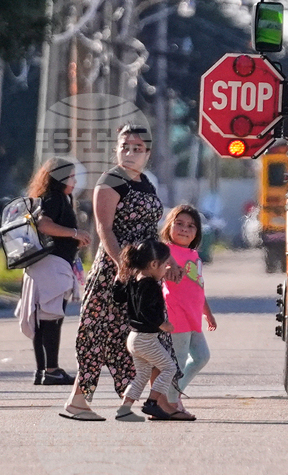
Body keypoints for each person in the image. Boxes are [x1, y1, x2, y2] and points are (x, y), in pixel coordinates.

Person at [60, 125, 166, 421]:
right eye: (124, 146)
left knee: (146, 334)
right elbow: (103, 229)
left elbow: (151, 229)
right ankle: (78, 402)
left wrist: (161, 263)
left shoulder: (146, 182)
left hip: (145, 271)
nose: (129, 153)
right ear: (116, 149)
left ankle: (154, 401)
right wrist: (123, 264)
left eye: (137, 148)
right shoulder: (111, 180)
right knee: (99, 335)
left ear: (148, 153)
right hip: (115, 272)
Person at [16, 157, 92, 385]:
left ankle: (43, 371)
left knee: (43, 320)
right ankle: (51, 370)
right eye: (71, 177)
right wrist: (74, 233)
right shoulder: (55, 198)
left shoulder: (51, 198)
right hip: (51, 267)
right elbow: (44, 225)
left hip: (43, 266)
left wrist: (72, 237)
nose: (75, 181)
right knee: (51, 319)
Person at [111, 239, 194, 421]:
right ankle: (152, 402)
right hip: (145, 339)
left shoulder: (134, 280)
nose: (166, 269)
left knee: (142, 376)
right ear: (154, 264)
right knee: (169, 367)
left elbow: (118, 297)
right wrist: (161, 323)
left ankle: (124, 409)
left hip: (134, 337)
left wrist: (118, 279)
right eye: (165, 265)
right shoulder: (150, 285)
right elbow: (145, 310)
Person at [159, 204, 216, 412]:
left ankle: (173, 393)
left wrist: (207, 313)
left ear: (197, 232)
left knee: (201, 357)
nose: (184, 229)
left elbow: (198, 288)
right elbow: (156, 272)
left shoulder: (193, 255)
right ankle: (171, 403)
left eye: (191, 226)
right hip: (176, 317)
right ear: (169, 226)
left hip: (193, 318)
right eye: (179, 223)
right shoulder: (166, 252)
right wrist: (165, 270)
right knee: (178, 362)